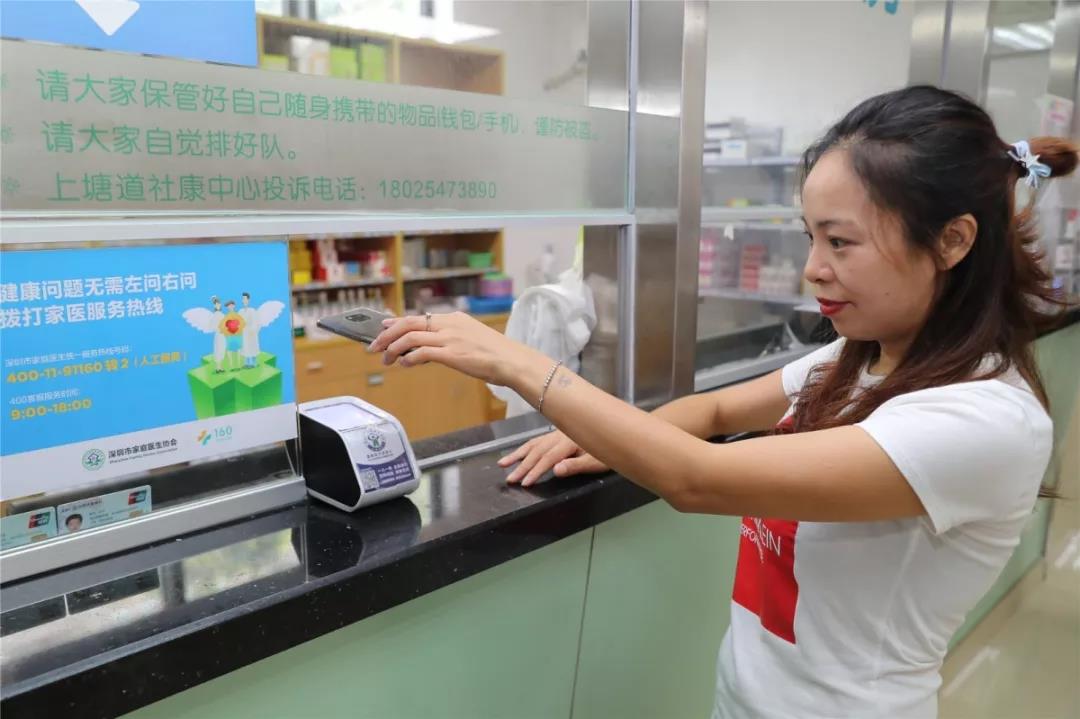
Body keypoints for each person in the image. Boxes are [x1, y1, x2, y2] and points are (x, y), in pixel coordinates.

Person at [370, 86, 1078, 718]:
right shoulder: (860, 358)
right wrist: (605, 434)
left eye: (840, 242)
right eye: (811, 237)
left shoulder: (985, 419)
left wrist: (521, 365)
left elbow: (696, 477)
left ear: (952, 240)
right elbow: (710, 414)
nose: (813, 269)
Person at [240, 292, 260, 369]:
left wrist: (253, 329)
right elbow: (239, 321)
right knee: (245, 346)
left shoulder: (252, 310)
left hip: (251, 332)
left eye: (245, 299)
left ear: (248, 300)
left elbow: (255, 321)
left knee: (252, 345)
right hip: (244, 331)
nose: (244, 300)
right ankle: (247, 362)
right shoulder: (241, 311)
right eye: (243, 299)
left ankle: (254, 362)